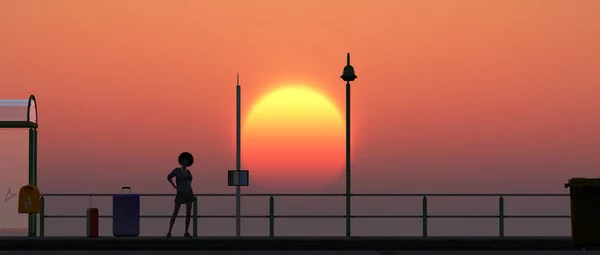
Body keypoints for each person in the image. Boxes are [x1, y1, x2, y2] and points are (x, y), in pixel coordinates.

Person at [166, 152, 195, 238]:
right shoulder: (176, 170)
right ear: (181, 161)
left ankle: (186, 232)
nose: (185, 162)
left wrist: (189, 185)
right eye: (184, 161)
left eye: (186, 161)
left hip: (189, 192)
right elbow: (169, 177)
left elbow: (190, 179)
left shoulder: (188, 172)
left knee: (188, 213)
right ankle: (169, 231)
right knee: (175, 212)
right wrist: (175, 186)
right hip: (180, 193)